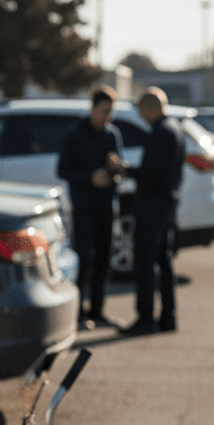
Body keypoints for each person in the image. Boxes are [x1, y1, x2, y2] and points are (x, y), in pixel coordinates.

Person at [57, 86, 124, 329]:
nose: (108, 116)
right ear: (94, 108)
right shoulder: (75, 133)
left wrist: (115, 170)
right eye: (105, 110)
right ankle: (77, 314)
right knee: (82, 260)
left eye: (111, 111)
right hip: (84, 205)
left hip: (107, 204)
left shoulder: (111, 134)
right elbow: (62, 169)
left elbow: (118, 165)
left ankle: (98, 311)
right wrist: (89, 178)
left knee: (104, 260)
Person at [121, 88, 186, 335]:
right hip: (168, 205)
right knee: (165, 262)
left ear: (150, 107)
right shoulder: (175, 129)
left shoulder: (160, 133)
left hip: (152, 207)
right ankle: (169, 317)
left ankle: (145, 318)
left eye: (140, 109)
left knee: (145, 262)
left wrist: (126, 170)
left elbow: (151, 173)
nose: (140, 115)